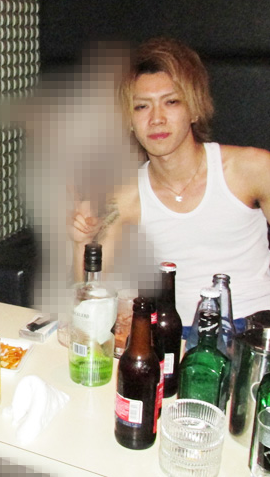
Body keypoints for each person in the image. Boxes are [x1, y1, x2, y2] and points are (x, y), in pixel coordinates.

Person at [72, 37, 270, 329]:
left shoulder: (251, 168)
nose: (156, 119)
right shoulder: (124, 195)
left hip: (256, 330)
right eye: (142, 107)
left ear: (195, 109)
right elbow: (91, 289)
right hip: (175, 337)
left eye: (171, 102)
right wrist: (81, 241)